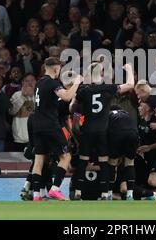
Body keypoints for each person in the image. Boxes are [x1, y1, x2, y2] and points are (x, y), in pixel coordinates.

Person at [71, 63, 134, 200]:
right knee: (104, 161)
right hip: (102, 130)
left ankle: (78, 192)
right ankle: (105, 194)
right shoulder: (108, 88)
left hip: (87, 129)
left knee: (83, 160)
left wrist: (77, 107)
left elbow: (72, 107)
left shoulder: (83, 90)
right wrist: (128, 70)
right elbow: (130, 85)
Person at [27, 57, 83, 201]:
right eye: (59, 67)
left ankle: (36, 195)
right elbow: (66, 97)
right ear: (55, 68)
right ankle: (55, 189)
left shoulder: (39, 82)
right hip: (50, 125)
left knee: (39, 160)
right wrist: (76, 83)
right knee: (66, 156)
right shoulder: (53, 83)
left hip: (37, 125)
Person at [107, 106, 139, 200]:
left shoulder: (108, 115)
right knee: (130, 163)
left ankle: (109, 194)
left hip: (117, 133)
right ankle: (130, 195)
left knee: (112, 163)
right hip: (133, 133)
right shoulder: (126, 114)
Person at [9, 73, 36, 150]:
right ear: (22, 83)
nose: (30, 83)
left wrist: (32, 96)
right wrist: (23, 97)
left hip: (35, 137)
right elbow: (12, 111)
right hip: (19, 138)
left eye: (32, 81)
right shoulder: (16, 95)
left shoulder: (39, 95)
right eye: (27, 81)